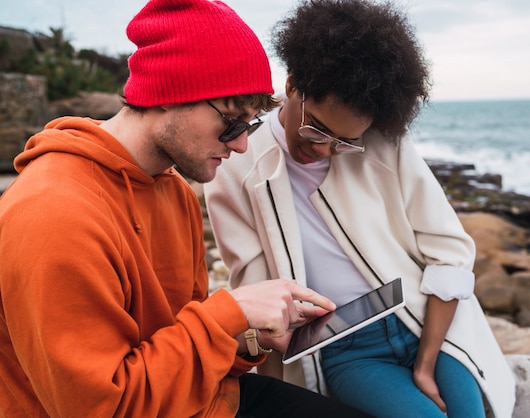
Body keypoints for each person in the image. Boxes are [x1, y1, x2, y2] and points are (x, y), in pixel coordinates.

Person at [0, 0, 375, 417]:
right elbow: (102, 408)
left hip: (205, 400)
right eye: (231, 122)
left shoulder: (175, 190)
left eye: (249, 126)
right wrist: (226, 313)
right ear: (166, 93)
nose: (241, 145)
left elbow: (180, 339)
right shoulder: (53, 214)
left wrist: (249, 335)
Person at [204, 0, 516, 417]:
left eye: (342, 142)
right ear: (293, 84)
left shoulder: (385, 143)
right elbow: (259, 294)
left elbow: (451, 255)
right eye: (317, 127)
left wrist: (425, 365)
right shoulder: (236, 167)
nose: (323, 149)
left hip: (429, 322)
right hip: (344, 349)